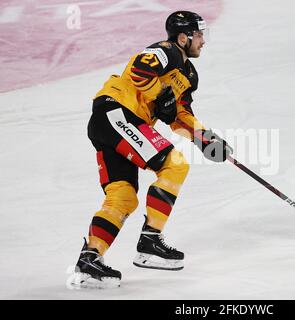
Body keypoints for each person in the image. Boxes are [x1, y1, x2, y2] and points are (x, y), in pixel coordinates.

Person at [71, 11, 232, 289]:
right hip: (117, 112)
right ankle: (150, 241)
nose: (203, 41)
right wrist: (161, 96)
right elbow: (139, 72)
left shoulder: (189, 75)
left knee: (122, 198)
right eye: (199, 34)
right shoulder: (165, 51)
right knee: (175, 163)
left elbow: (178, 115)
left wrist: (205, 139)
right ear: (183, 37)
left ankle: (89, 260)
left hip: (116, 123)